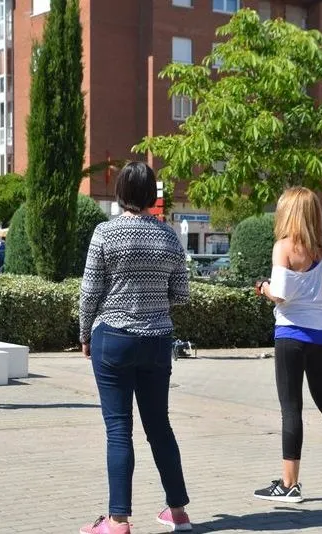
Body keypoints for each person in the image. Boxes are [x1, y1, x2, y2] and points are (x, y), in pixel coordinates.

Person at [78, 162, 193, 534]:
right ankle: (177, 512)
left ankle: (118, 521)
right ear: (152, 196)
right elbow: (182, 295)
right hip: (158, 341)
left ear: (120, 192)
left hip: (113, 339)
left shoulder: (104, 233)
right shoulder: (169, 237)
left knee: (118, 430)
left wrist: (84, 333)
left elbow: (90, 291)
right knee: (160, 426)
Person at [254, 186, 322, 504]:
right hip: (320, 335)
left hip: (291, 335)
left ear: (288, 213)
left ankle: (290, 484)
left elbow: (281, 294)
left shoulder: (283, 247)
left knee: (291, 409)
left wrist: (263, 288)